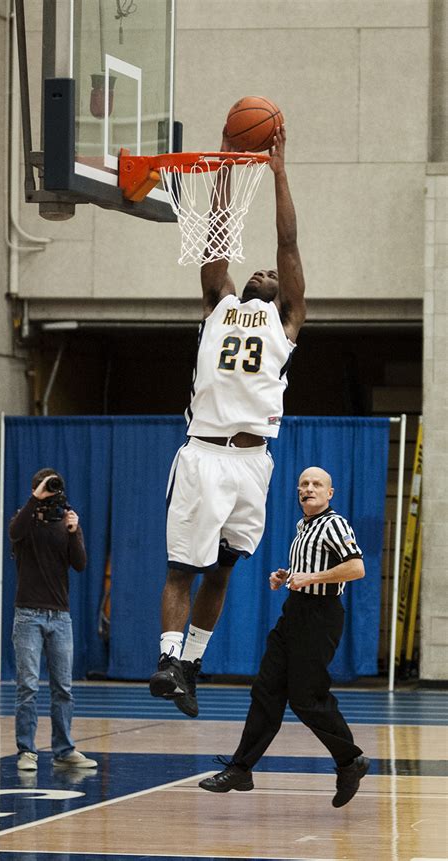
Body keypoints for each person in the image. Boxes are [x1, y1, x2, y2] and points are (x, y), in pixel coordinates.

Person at [149, 124, 306, 718]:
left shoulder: (286, 321)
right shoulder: (220, 305)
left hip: (252, 460)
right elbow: (217, 239)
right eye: (258, 269)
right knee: (183, 565)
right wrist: (225, 168)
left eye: (272, 272)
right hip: (205, 452)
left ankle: (190, 664)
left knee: (223, 568)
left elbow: (288, 243)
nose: (266, 269)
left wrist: (278, 172)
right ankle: (166, 658)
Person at [199, 466, 370, 808]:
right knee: (266, 689)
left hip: (320, 616)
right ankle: (241, 768)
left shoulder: (334, 523)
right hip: (294, 611)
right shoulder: (303, 527)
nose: (308, 488)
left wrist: (310, 578)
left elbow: (356, 568)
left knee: (306, 698)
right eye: (303, 484)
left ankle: (350, 761)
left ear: (329, 493)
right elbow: (310, 572)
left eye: (316, 484)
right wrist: (288, 576)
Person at [9, 468, 97, 771]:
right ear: (36, 490)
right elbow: (14, 533)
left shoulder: (66, 522)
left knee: (63, 687)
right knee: (28, 686)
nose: (51, 492)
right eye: (46, 487)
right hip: (28, 615)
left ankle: (63, 749)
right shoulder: (25, 520)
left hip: (60, 616)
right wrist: (35, 500)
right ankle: (27, 751)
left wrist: (75, 532)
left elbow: (80, 563)